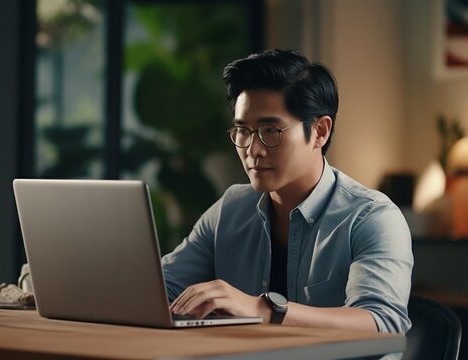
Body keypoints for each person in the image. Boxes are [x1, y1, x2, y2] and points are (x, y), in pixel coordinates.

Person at [162, 49, 413, 339]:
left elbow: (381, 323)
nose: (253, 150)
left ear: (320, 131)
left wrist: (264, 310)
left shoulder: (372, 217)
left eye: (271, 130)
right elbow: (161, 292)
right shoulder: (231, 209)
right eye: (243, 131)